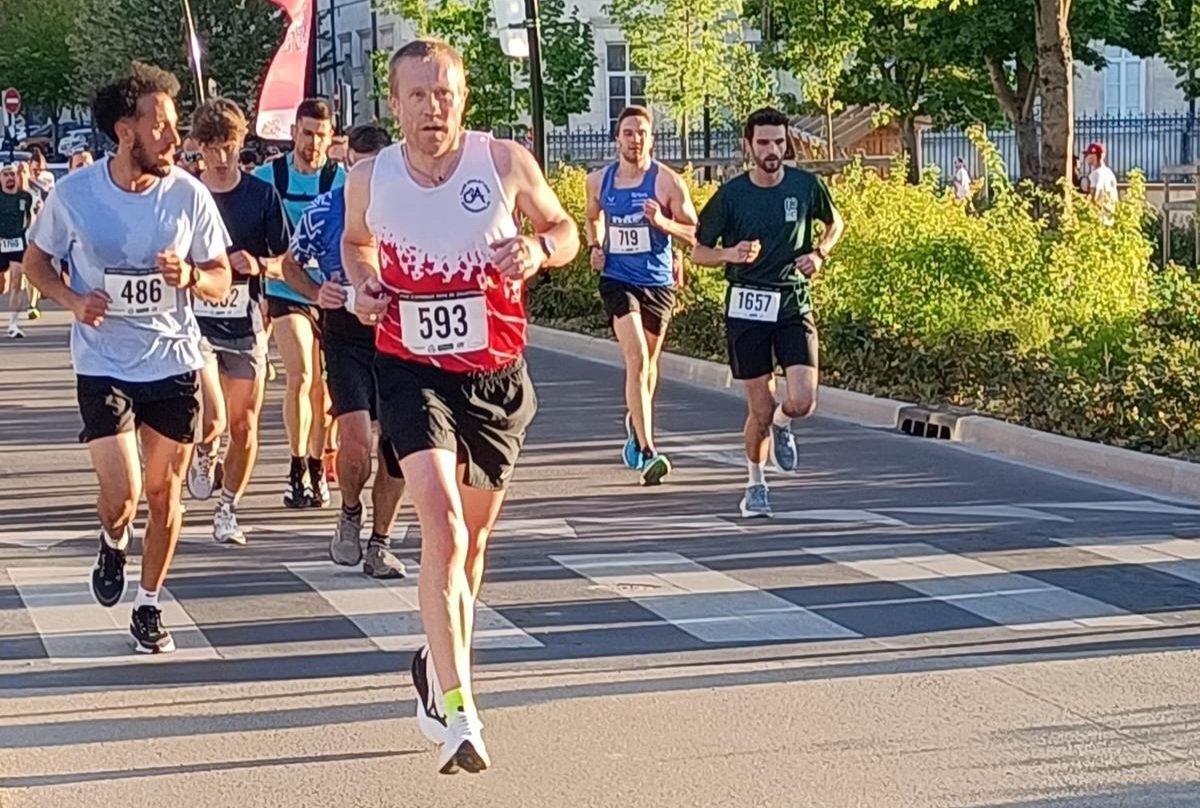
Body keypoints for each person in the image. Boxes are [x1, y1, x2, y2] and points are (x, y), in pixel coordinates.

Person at [343, 38, 579, 773]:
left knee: (472, 548)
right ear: (395, 103)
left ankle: (434, 664)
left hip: (495, 376)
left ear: (463, 98)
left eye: (444, 93)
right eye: (418, 95)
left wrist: (540, 252)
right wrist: (363, 283)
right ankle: (459, 711)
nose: (432, 107)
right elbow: (356, 245)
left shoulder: (502, 161)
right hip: (411, 368)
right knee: (440, 526)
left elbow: (567, 230)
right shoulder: (369, 176)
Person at [22, 61, 232, 653]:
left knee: (164, 494)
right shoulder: (75, 194)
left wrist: (190, 275)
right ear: (125, 132)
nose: (174, 138)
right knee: (123, 492)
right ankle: (113, 542)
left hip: (171, 358)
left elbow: (221, 277)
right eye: (161, 126)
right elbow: (38, 264)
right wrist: (70, 298)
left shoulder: (188, 195)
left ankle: (149, 603)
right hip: (103, 360)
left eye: (174, 126)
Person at [692, 107, 845, 518]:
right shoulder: (732, 195)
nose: (772, 150)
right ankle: (755, 483)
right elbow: (698, 252)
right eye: (763, 143)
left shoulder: (804, 185)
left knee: (802, 400)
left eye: (779, 142)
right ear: (749, 146)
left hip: (793, 300)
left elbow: (836, 223)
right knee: (758, 409)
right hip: (748, 304)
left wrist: (820, 253)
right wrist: (730, 253)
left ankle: (783, 423)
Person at [284, 123, 407, 578]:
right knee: (356, 443)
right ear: (347, 164)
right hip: (346, 336)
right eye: (360, 167)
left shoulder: (410, 208)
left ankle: (381, 540)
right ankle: (350, 511)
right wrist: (318, 292)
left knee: (397, 447)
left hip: (400, 336)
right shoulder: (323, 211)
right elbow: (290, 264)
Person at [188, 97, 290, 544]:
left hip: (245, 320)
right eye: (212, 148)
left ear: (241, 143)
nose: (222, 157)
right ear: (200, 148)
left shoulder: (261, 195)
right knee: (213, 416)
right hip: (197, 322)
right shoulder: (187, 193)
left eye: (229, 146)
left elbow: (286, 260)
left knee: (245, 424)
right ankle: (205, 448)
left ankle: (227, 507)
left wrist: (257, 264)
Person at [584, 105, 697, 485]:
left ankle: (635, 425)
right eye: (629, 133)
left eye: (642, 133)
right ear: (617, 138)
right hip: (618, 279)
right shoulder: (599, 181)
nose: (635, 140)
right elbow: (592, 217)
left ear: (652, 138)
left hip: (658, 281)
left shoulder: (667, 183)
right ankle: (649, 450)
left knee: (649, 367)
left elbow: (695, 233)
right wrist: (594, 246)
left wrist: (662, 222)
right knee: (637, 357)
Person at [255, 98, 345, 509]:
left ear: (331, 138)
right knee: (301, 374)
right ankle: (296, 468)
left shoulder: (342, 180)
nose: (312, 143)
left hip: (331, 292)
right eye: (306, 133)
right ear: (294, 132)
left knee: (326, 389)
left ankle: (317, 461)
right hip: (285, 288)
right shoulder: (268, 175)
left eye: (321, 135)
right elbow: (236, 213)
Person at [0, 163, 34, 339]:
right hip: (0, 240)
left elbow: (31, 217)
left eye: (12, 174)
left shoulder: (26, 197)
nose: (9, 178)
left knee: (16, 281)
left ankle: (13, 324)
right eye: (5, 175)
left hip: (17, 243)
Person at [1080, 141, 1118, 221]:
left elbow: (1092, 196)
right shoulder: (1110, 173)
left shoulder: (1095, 174)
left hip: (1098, 217)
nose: (1085, 157)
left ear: (1094, 156)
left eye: (1087, 154)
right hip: (1110, 217)